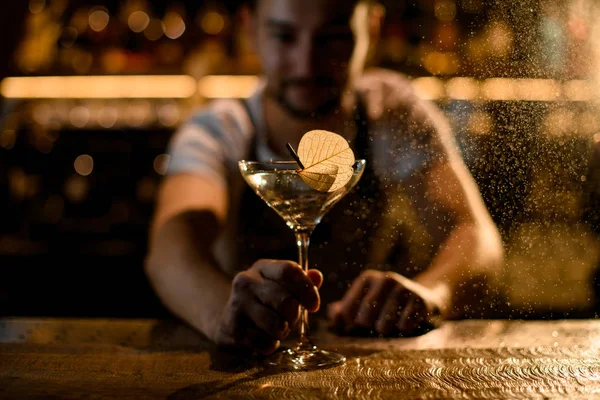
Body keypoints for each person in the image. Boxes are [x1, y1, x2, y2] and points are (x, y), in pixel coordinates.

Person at [145, 0, 504, 355]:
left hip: (367, 363)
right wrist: (223, 314)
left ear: (371, 29)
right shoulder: (219, 129)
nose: (307, 63)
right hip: (251, 364)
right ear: (250, 29)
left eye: (332, 38)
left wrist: (431, 293)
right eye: (285, 37)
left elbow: (479, 239)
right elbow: (171, 254)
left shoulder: (387, 112)